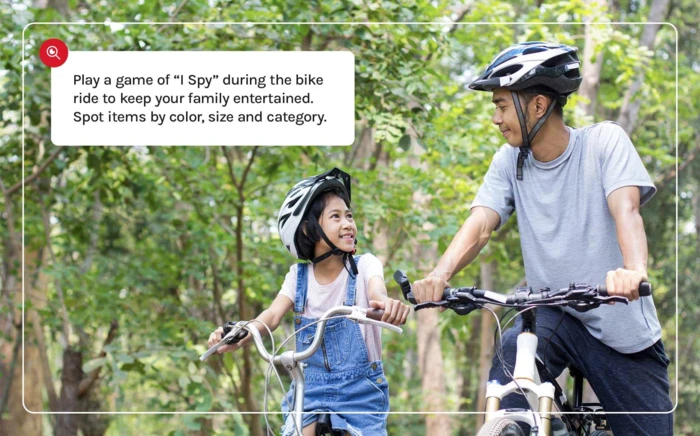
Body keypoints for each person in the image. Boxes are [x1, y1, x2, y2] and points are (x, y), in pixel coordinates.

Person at [411, 42, 672, 434]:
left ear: (537, 106)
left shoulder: (604, 143)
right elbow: (481, 223)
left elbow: (627, 210)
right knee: (516, 346)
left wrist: (634, 271)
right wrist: (439, 275)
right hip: (557, 314)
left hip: (622, 331)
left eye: (501, 106)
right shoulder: (508, 161)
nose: (496, 118)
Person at [208, 168, 410, 436]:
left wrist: (386, 304)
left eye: (349, 215)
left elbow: (377, 293)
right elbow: (270, 317)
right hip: (310, 387)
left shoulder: (366, 265)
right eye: (335, 217)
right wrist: (240, 334)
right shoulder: (298, 277)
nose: (348, 223)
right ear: (309, 229)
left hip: (360, 390)